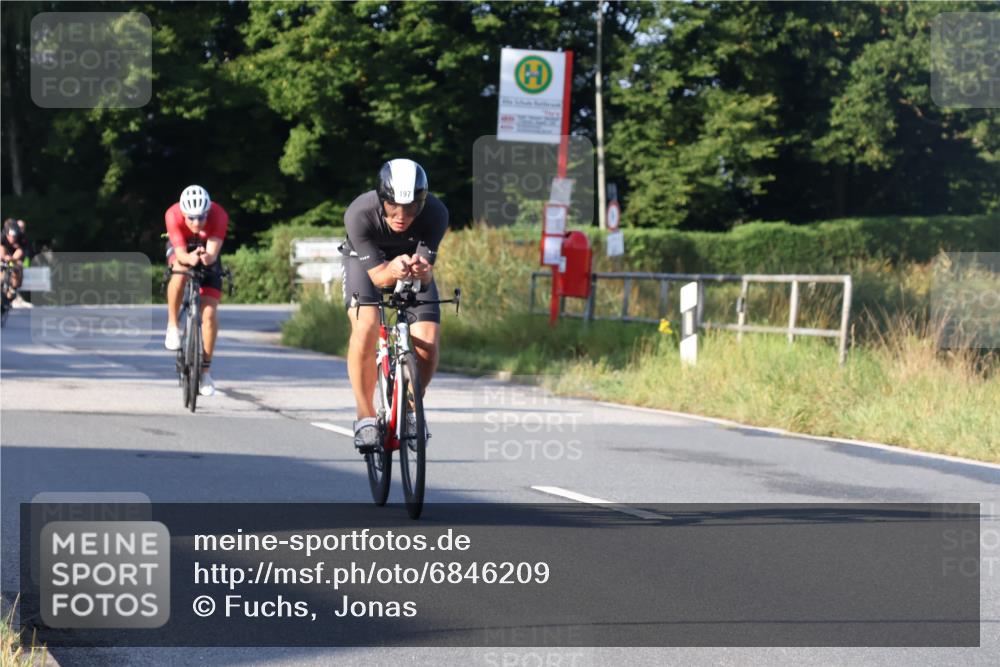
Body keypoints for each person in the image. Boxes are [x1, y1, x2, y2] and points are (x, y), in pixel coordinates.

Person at [342, 159, 448, 449]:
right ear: (381, 199)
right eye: (392, 208)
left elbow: (426, 272)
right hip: (365, 265)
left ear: (422, 203)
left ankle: (411, 410)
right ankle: (364, 416)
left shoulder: (436, 213)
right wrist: (392, 268)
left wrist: (424, 272)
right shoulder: (359, 213)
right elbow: (378, 277)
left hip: (409, 266)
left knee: (428, 338)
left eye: (411, 208)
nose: (401, 215)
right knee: (366, 325)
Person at [163, 185, 228, 396]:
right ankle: (173, 324)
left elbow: (211, 255)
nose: (197, 222)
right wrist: (190, 258)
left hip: (206, 250)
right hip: (183, 248)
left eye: (201, 217)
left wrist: (205, 258)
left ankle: (205, 373)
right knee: (179, 269)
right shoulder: (172, 215)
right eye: (191, 218)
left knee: (208, 315)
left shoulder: (219, 215)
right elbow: (181, 254)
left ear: (208, 212)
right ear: (183, 213)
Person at [1, 219, 29, 307]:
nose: (12, 239)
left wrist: (12, 259)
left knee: (18, 268)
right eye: (10, 236)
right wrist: (3, 257)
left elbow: (20, 251)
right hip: (5, 254)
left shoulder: (22, 237)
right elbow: (1, 248)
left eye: (14, 237)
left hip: (15, 257)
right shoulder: (3, 236)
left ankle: (13, 289)